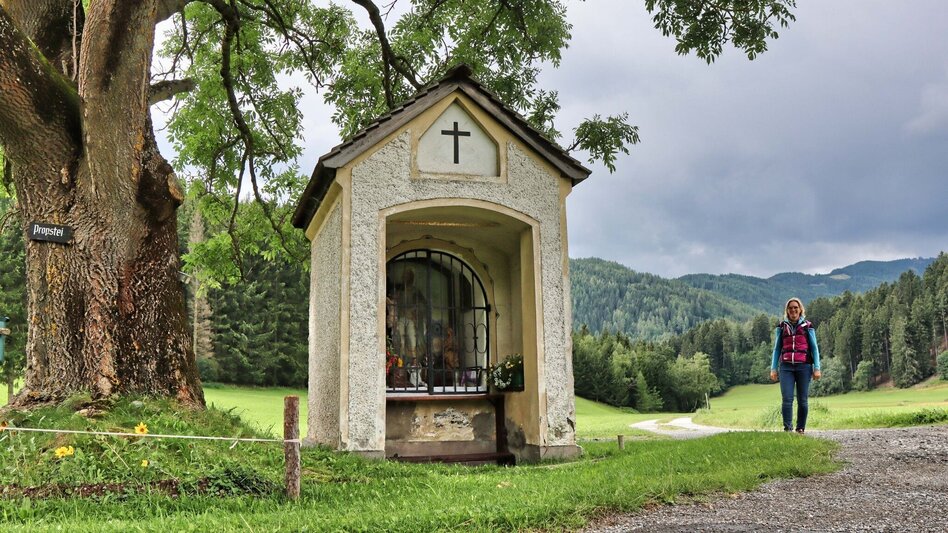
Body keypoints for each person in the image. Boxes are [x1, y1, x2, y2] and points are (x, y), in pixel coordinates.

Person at [770, 297, 822, 433]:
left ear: (800, 310)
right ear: (787, 311)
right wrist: (773, 368)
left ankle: (800, 429)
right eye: (790, 308)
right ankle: (788, 429)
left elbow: (814, 348)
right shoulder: (782, 327)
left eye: (795, 307)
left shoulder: (808, 326)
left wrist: (817, 368)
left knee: (802, 400)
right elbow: (776, 349)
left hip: (804, 367)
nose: (793, 310)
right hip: (786, 367)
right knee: (787, 399)